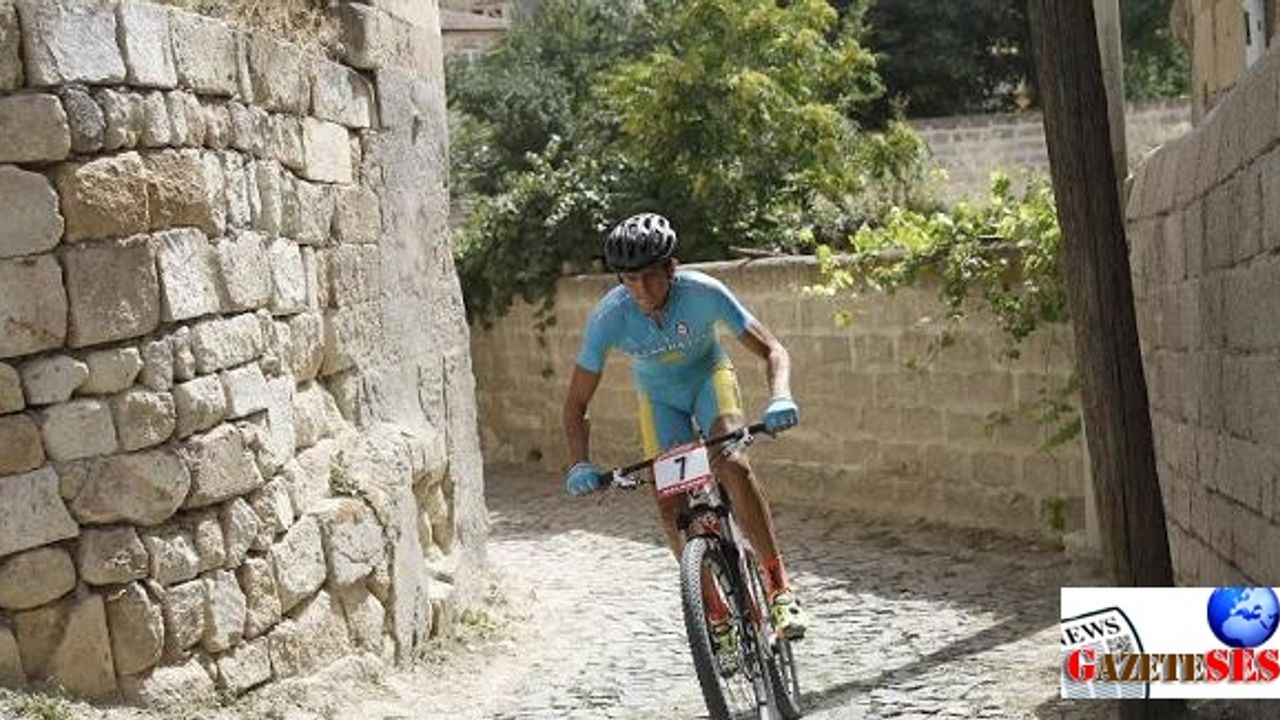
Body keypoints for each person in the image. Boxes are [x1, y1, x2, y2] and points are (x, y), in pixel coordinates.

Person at [561, 212, 811, 661]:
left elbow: (772, 348)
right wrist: (580, 461)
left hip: (708, 382)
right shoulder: (609, 317)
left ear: (671, 268)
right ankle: (714, 613)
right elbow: (576, 403)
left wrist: (779, 396)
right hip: (661, 403)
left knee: (731, 461)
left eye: (649, 277)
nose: (639, 290)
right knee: (667, 498)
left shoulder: (703, 294)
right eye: (628, 279)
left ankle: (778, 589)